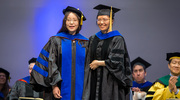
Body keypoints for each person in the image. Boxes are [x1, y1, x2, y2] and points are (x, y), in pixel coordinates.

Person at [30, 6, 88, 100]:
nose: (71, 23)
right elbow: (51, 64)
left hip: (82, 90)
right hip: (60, 89)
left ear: (79, 22)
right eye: (68, 20)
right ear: (65, 22)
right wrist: (54, 85)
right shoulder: (56, 40)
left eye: (74, 20)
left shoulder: (85, 42)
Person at [82, 4, 132, 100]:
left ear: (112, 21)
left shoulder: (117, 39)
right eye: (99, 19)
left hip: (111, 83)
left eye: (105, 19)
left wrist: (99, 63)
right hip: (94, 80)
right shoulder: (92, 38)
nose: (101, 22)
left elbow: (116, 62)